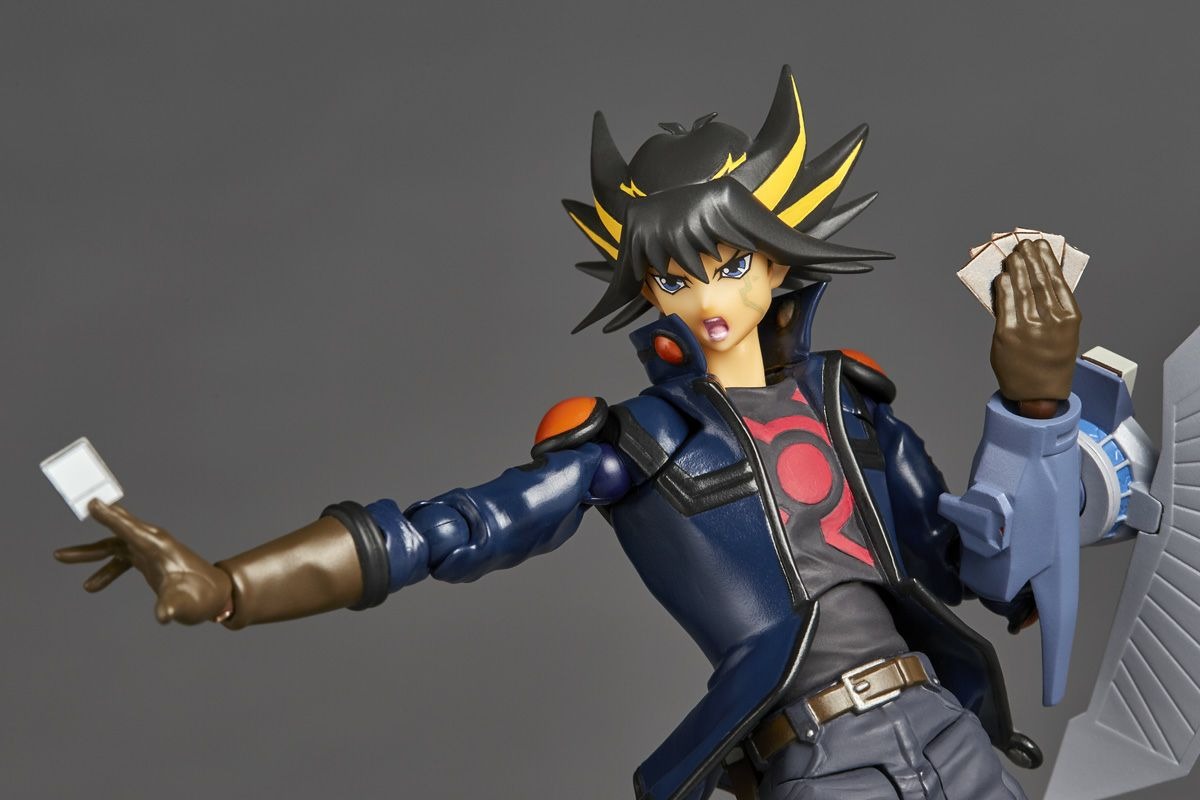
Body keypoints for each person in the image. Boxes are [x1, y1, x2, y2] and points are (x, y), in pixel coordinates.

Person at [55, 66, 1082, 800]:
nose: (704, 297)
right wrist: (231, 586)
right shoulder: (639, 443)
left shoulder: (852, 405)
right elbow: (451, 530)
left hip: (947, 730)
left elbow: (984, 572)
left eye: (730, 264)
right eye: (673, 275)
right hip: (821, 761)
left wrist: (1034, 400)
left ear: (779, 262)